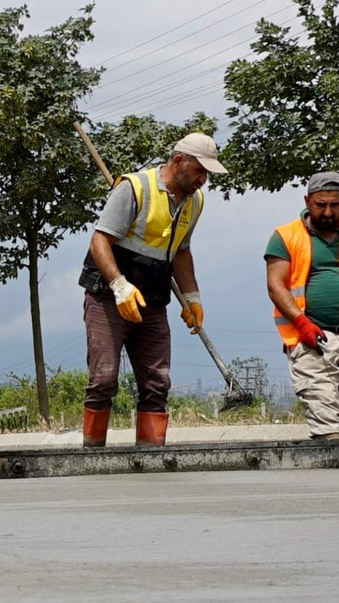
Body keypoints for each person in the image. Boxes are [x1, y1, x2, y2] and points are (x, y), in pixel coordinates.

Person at [78, 133, 227, 447]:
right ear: (177, 161)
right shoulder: (133, 188)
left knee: (157, 383)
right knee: (104, 378)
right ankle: (91, 454)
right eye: (200, 171)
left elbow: (181, 252)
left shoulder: (195, 202)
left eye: (207, 174)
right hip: (108, 297)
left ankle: (151, 455)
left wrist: (192, 298)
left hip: (153, 300)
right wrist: (119, 286)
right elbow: (99, 241)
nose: (203, 180)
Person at [265, 172, 339, 439]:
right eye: (321, 205)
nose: (328, 212)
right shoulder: (284, 237)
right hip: (311, 340)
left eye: (335, 205)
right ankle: (332, 468)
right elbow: (276, 286)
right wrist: (302, 323)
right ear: (307, 201)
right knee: (326, 422)